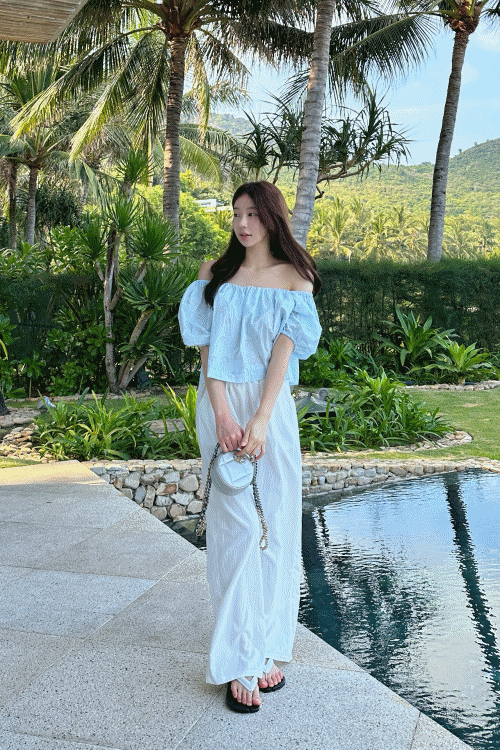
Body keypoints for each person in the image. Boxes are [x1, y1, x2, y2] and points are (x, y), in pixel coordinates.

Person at [178, 181, 322, 714]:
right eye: (237, 213)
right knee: (237, 532)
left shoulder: (296, 277)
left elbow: (284, 355)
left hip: (271, 409)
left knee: (276, 528)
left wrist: (260, 420)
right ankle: (239, 658)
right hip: (221, 405)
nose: (243, 223)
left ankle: (263, 647)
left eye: (254, 214)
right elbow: (206, 351)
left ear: (272, 219)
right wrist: (222, 415)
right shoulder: (213, 275)